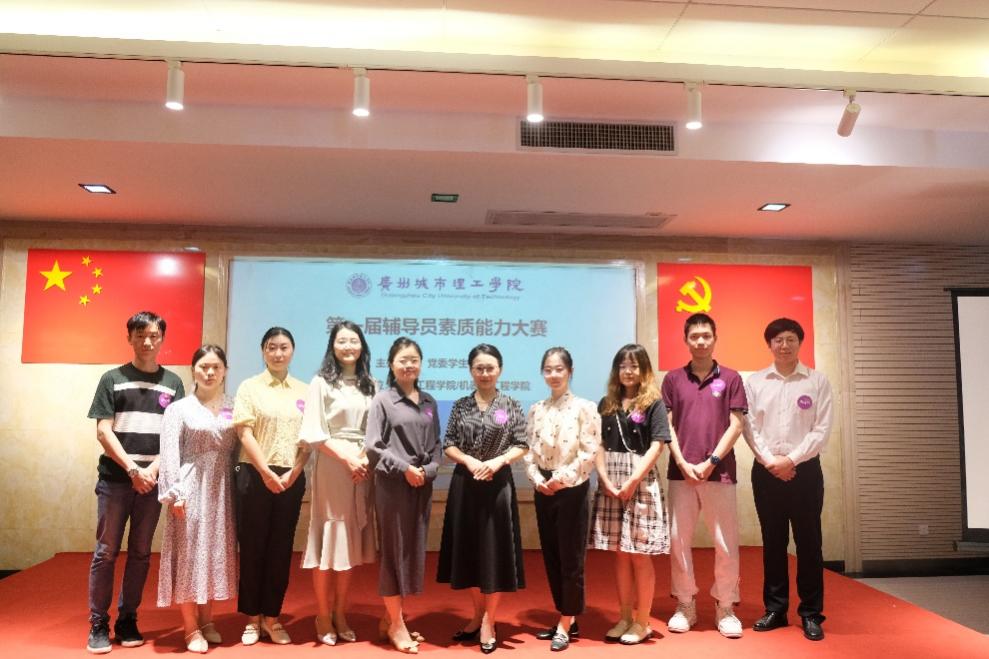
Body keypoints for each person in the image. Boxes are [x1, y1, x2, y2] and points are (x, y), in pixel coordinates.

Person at [86, 311, 185, 654]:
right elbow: (103, 431)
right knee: (106, 553)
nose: (147, 341)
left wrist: (153, 471)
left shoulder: (173, 383)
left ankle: (128, 618)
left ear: (162, 339)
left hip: (152, 484)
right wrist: (133, 470)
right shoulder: (111, 379)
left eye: (153, 335)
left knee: (141, 554)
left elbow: (174, 435)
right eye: (140, 335)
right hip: (116, 481)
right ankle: (98, 623)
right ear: (129, 338)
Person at [743, 318, 833, 641]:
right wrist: (771, 461)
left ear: (800, 343)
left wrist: (791, 460)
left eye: (790, 339)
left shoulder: (817, 381)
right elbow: (749, 427)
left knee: (809, 543)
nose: (784, 345)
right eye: (778, 340)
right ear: (769, 344)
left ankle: (811, 613)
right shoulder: (755, 382)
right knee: (773, 542)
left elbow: (821, 430)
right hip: (766, 471)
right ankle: (775, 609)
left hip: (804, 471)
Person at [661, 313, 747, 639]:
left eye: (706, 335)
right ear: (686, 340)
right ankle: (685, 604)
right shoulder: (672, 379)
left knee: (725, 543)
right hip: (680, 473)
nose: (700, 341)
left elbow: (736, 424)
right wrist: (683, 462)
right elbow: (667, 425)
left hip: (719, 472)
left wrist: (711, 461)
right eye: (694, 336)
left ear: (714, 338)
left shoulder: (731, 378)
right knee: (678, 540)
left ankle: (725, 606)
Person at [438, 344, 529, 654]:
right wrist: (469, 460)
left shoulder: (510, 404)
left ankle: (490, 619)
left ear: (499, 370)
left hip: (497, 485)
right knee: (470, 552)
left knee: (494, 552)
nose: (485, 373)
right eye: (479, 368)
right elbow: (449, 443)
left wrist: (497, 462)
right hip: (465, 484)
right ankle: (477, 615)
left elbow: (521, 443)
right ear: (471, 371)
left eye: (490, 368)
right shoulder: (461, 405)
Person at [299, 321, 378, 646]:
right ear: (332, 346)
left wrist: (363, 459)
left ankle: (340, 613)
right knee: (328, 539)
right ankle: (322, 614)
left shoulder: (371, 384)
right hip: (333, 464)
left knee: (350, 541)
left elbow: (376, 431)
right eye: (342, 341)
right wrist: (347, 459)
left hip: (362, 465)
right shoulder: (321, 382)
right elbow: (313, 432)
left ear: (362, 346)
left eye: (353, 341)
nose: (348, 346)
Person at [232, 327, 311, 645]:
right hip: (254, 473)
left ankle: (273, 618)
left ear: (293, 351)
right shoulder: (249, 387)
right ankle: (252, 619)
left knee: (280, 549)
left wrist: (295, 471)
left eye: (284, 347)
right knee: (252, 547)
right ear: (263, 351)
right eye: (271, 347)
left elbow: (308, 440)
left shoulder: (305, 391)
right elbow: (244, 433)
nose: (278, 353)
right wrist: (265, 472)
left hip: (291, 475)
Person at [157, 345, 238, 653]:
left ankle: (207, 621)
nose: (210, 372)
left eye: (216, 367)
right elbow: (169, 454)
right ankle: (190, 627)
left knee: (214, 552)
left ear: (225, 371)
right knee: (190, 554)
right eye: (204, 367)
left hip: (223, 489)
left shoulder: (234, 406)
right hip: (190, 486)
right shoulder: (178, 409)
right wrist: (175, 493)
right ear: (193, 370)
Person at [589, 344, 671, 645]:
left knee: (639, 555)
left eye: (634, 365)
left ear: (644, 370)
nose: (628, 371)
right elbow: (597, 443)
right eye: (623, 366)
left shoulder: (653, 403)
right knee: (621, 554)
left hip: (641, 480)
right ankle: (624, 618)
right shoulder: (607, 402)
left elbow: (658, 444)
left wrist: (634, 480)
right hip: (611, 481)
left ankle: (643, 622)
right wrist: (604, 479)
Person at [366, 337, 442, 654]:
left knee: (411, 551)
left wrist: (429, 470)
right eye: (402, 360)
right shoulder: (383, 400)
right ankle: (397, 625)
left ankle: (391, 619)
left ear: (420, 364)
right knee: (394, 552)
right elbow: (373, 446)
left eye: (414, 360)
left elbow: (436, 444)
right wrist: (405, 469)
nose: (409, 365)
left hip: (421, 485)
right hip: (393, 486)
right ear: (391, 364)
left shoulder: (429, 402)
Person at [524, 347, 601, 652]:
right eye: (548, 369)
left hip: (572, 488)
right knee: (552, 555)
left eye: (559, 369)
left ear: (570, 371)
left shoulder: (585, 407)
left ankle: (565, 623)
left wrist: (561, 479)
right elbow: (528, 450)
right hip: (544, 488)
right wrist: (537, 479)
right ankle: (566, 616)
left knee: (571, 557)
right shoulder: (536, 409)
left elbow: (589, 451)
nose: (553, 375)